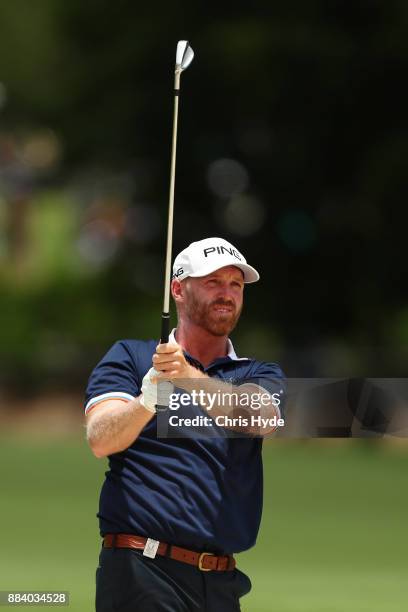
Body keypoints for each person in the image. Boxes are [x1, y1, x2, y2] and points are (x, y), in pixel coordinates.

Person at [85, 237, 285, 612]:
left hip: (221, 582)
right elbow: (100, 438)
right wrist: (148, 399)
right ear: (178, 288)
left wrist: (186, 377)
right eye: (213, 283)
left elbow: (262, 418)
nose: (227, 294)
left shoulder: (255, 373)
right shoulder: (132, 357)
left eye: (235, 285)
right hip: (141, 570)